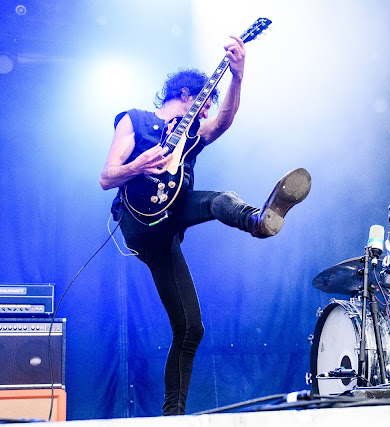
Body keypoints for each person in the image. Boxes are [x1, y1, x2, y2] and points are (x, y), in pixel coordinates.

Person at [99, 35, 311, 415]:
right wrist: (139, 165)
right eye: (204, 103)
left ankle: (258, 221)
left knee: (191, 327)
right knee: (212, 202)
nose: (205, 113)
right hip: (139, 221)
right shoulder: (135, 121)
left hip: (173, 215)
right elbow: (106, 176)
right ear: (187, 93)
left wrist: (238, 77)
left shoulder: (192, 133)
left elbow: (223, 122)